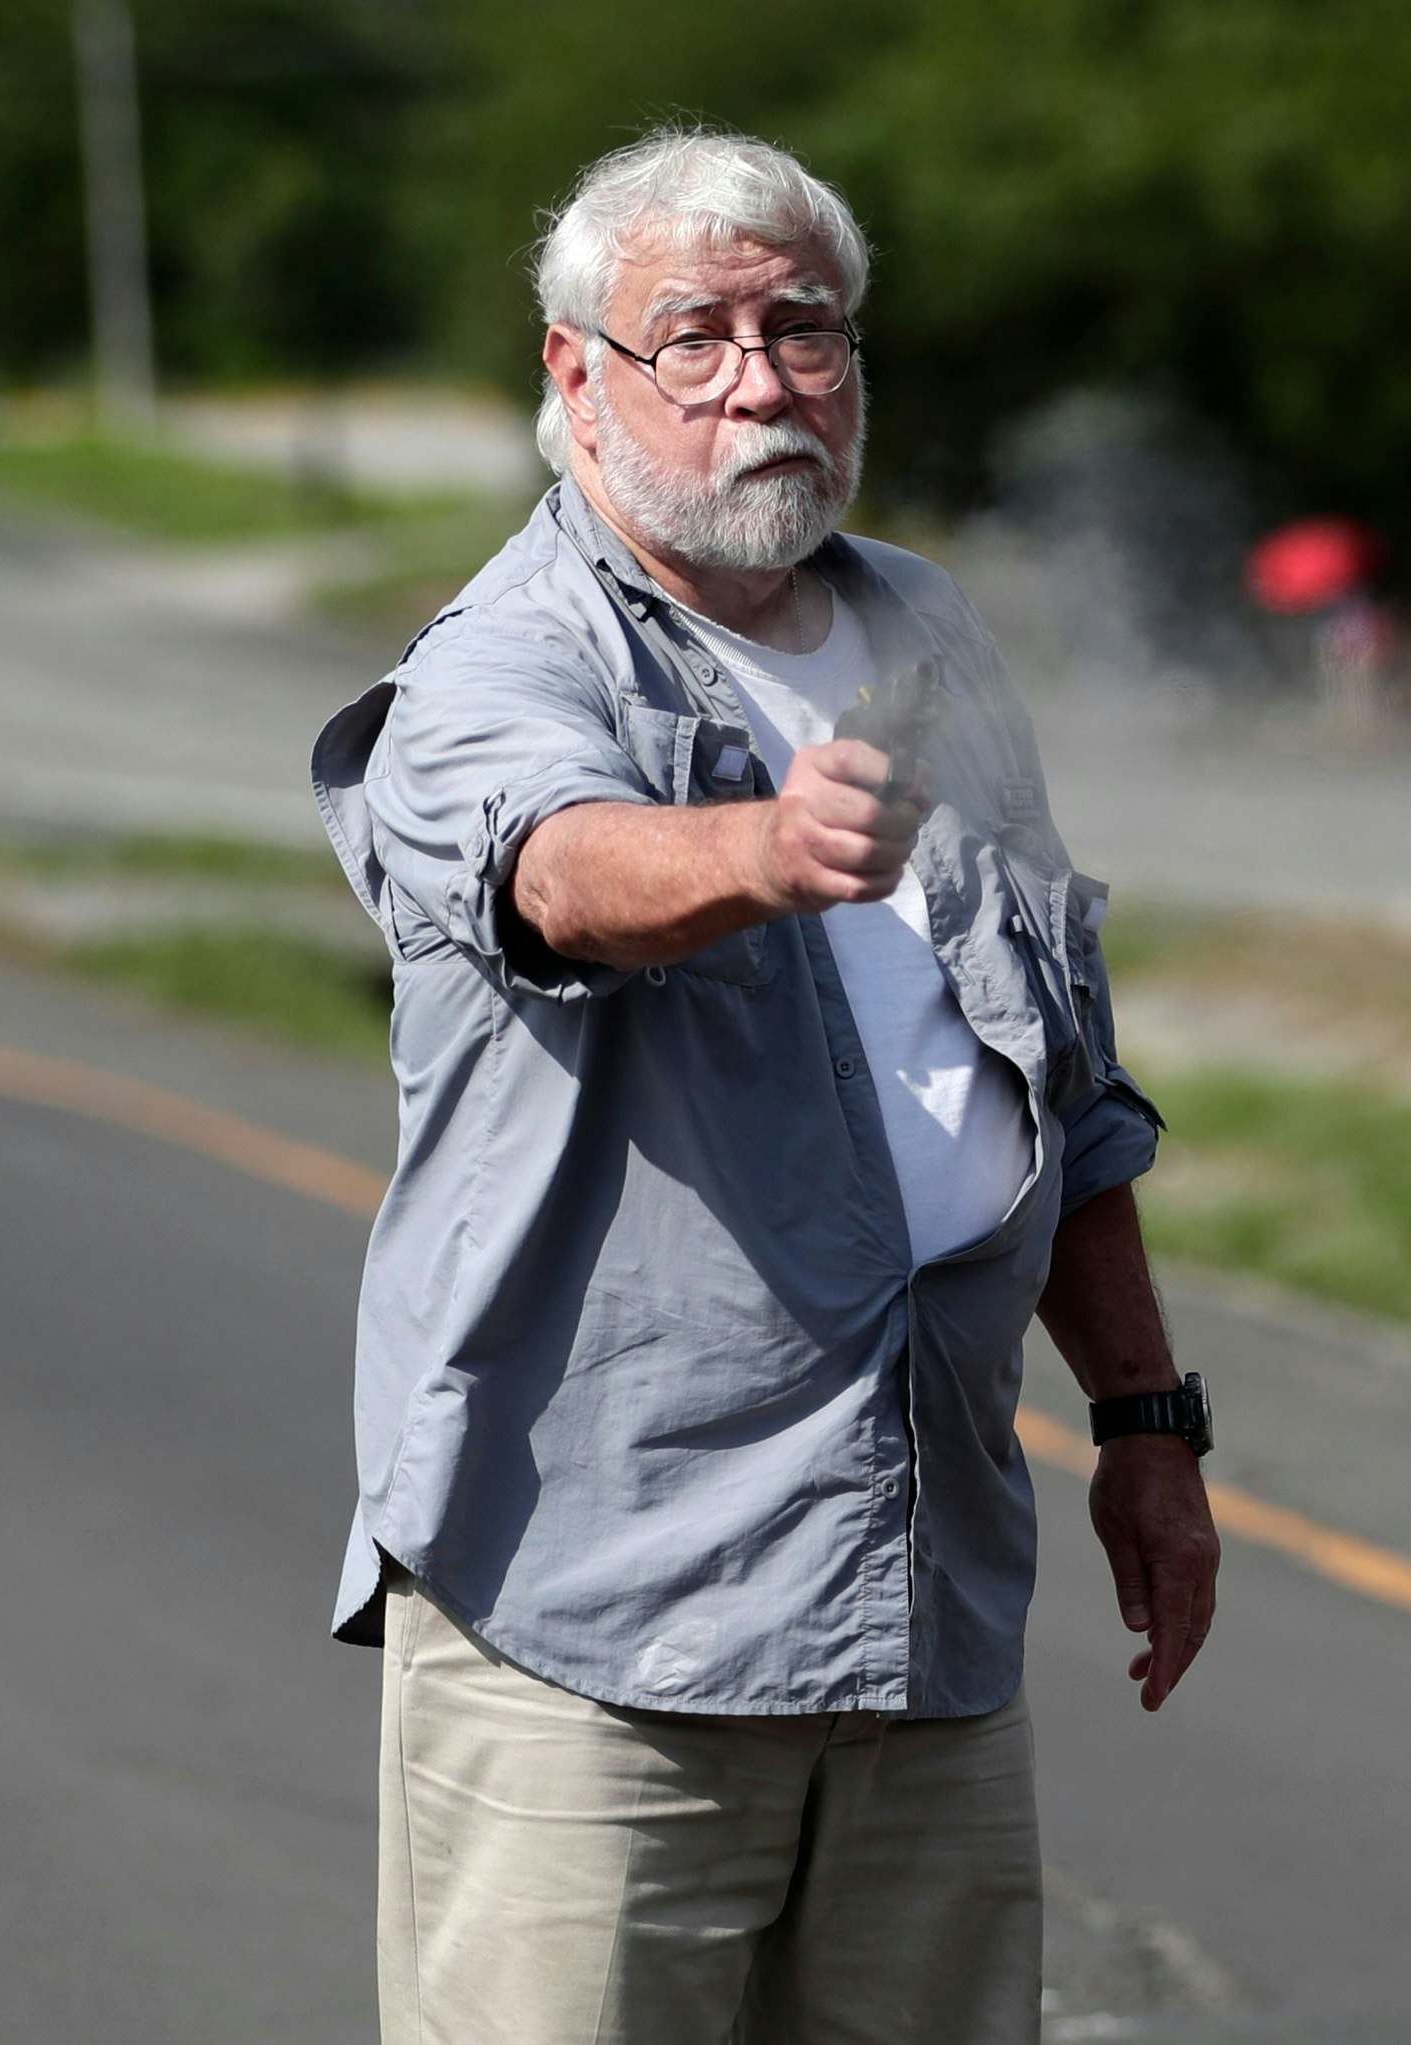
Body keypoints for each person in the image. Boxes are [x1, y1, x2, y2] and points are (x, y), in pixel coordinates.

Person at [309, 131, 1220, 2045]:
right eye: (692, 338)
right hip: (600, 1621)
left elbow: (1065, 1070)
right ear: (577, 378)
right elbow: (550, 874)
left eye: (801, 329)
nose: (759, 383)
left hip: (921, 1602)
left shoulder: (924, 630)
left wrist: (1142, 1416)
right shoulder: (502, 661)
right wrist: (757, 850)